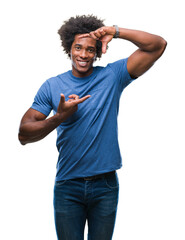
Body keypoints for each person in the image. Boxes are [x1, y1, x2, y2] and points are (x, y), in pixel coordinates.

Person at [18, 15, 167, 240]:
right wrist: (59, 117)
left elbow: (158, 45)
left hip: (105, 185)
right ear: (69, 48)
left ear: (97, 52)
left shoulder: (112, 76)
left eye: (90, 49)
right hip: (68, 186)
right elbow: (23, 134)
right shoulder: (52, 86)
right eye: (78, 48)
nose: (83, 55)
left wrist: (115, 31)